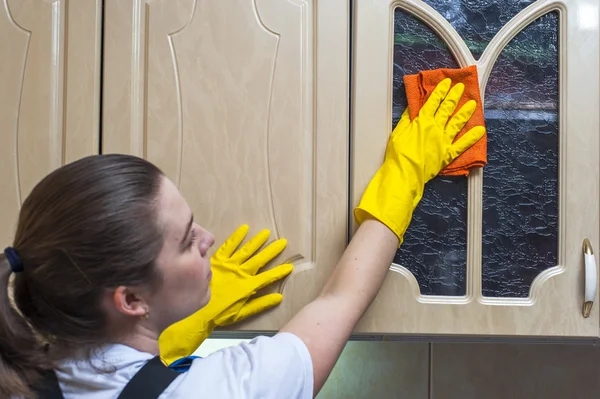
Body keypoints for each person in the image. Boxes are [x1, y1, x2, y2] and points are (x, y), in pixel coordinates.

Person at [0, 78, 484, 398]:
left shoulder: (25, 380)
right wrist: (407, 172)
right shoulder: (217, 390)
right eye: (187, 239)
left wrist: (169, 333)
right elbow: (340, 300)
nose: (209, 238)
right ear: (129, 299)